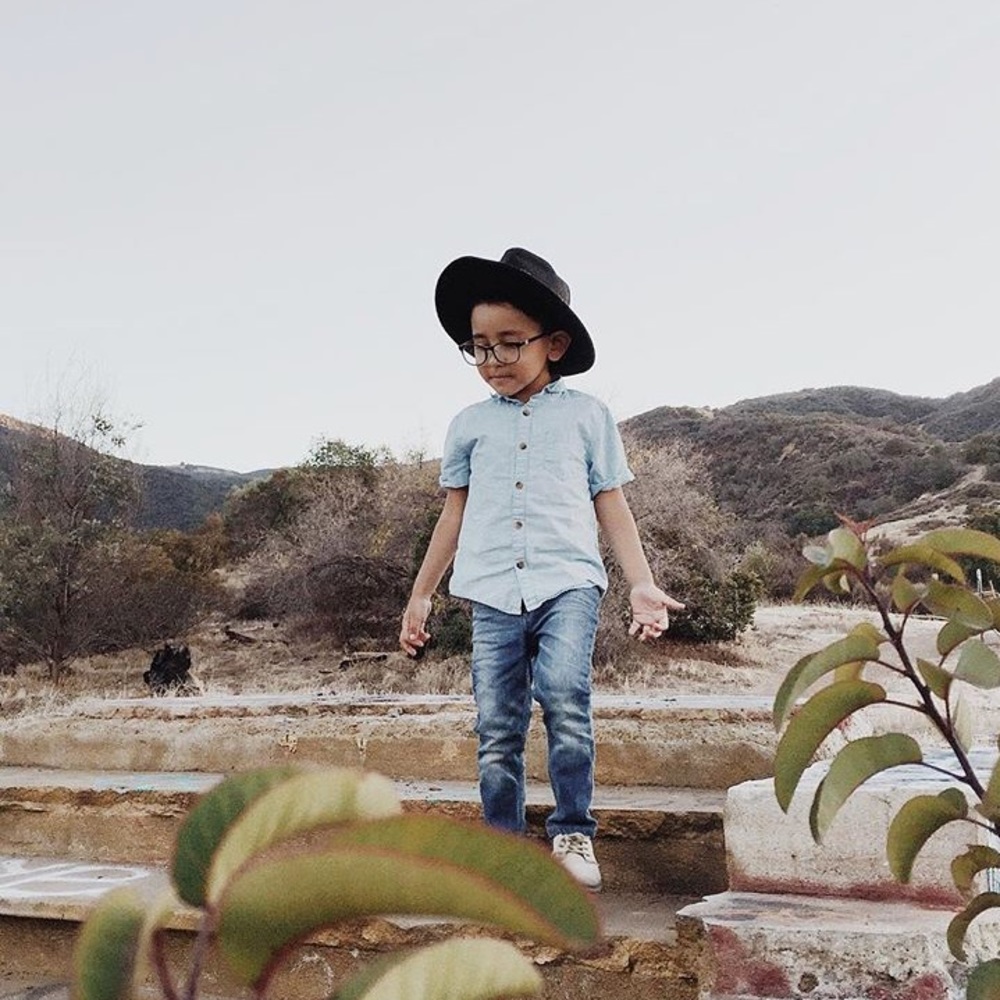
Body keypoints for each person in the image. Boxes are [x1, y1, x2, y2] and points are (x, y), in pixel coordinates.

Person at [399, 247, 683, 892]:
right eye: (479, 347)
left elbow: (611, 500)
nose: (493, 361)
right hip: (492, 587)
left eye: (509, 344)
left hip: (567, 582)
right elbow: (453, 515)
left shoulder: (588, 416)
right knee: (496, 724)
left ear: (553, 344)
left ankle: (573, 832)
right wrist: (421, 595)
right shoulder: (467, 426)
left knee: (564, 698)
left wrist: (640, 582)